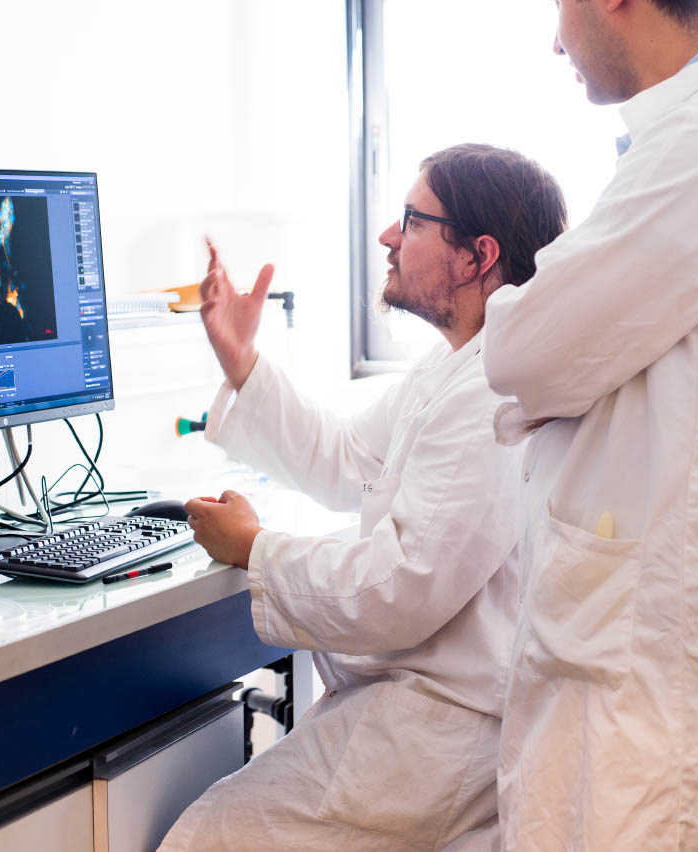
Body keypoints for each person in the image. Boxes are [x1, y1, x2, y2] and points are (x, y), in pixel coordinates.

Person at [481, 2, 698, 850]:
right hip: (647, 657)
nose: (555, 41)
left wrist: (542, 340)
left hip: (650, 681)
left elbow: (522, 350)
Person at [159, 144, 568, 852]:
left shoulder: (491, 388)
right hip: (413, 710)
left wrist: (256, 548)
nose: (386, 236)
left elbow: (400, 584)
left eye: (411, 221)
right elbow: (349, 457)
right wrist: (241, 360)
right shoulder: (454, 365)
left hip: (439, 732)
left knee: (208, 839)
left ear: (477, 256)